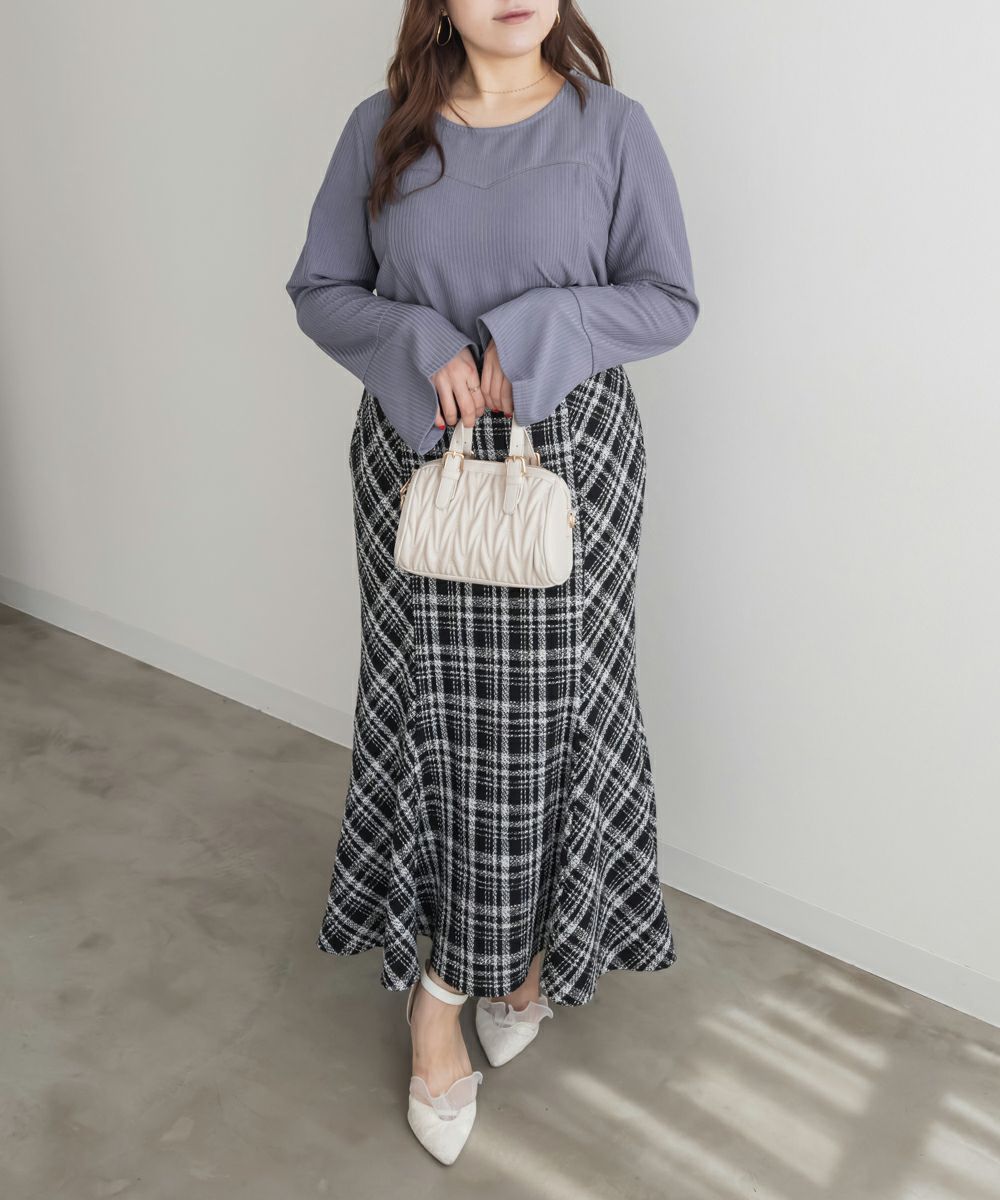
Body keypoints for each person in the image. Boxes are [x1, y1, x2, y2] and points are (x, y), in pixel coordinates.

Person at [285, 0, 699, 1165]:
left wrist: (534, 331)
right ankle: (439, 1000)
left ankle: (520, 964)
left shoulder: (613, 128)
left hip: (573, 466)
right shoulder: (382, 128)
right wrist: (425, 346)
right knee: (433, 724)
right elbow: (322, 288)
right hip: (418, 460)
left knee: (556, 725)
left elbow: (666, 298)